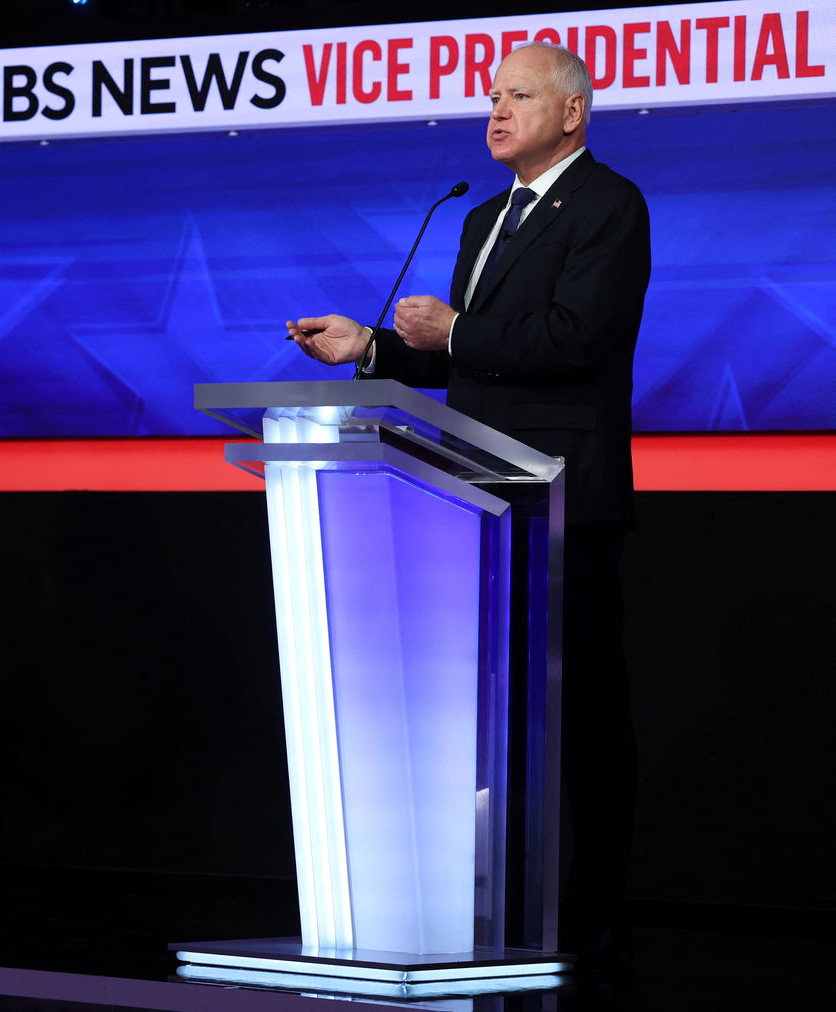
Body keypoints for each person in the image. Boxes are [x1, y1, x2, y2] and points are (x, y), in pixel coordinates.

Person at [287, 42, 649, 959]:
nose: (496, 112)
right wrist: (370, 348)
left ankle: (598, 915)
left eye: (517, 96)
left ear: (572, 113)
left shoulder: (609, 205)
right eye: (492, 97)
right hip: (475, 497)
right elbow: (469, 359)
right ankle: (500, 905)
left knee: (583, 713)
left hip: (562, 496)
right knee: (492, 716)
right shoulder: (483, 216)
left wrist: (456, 331)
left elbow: (575, 338)